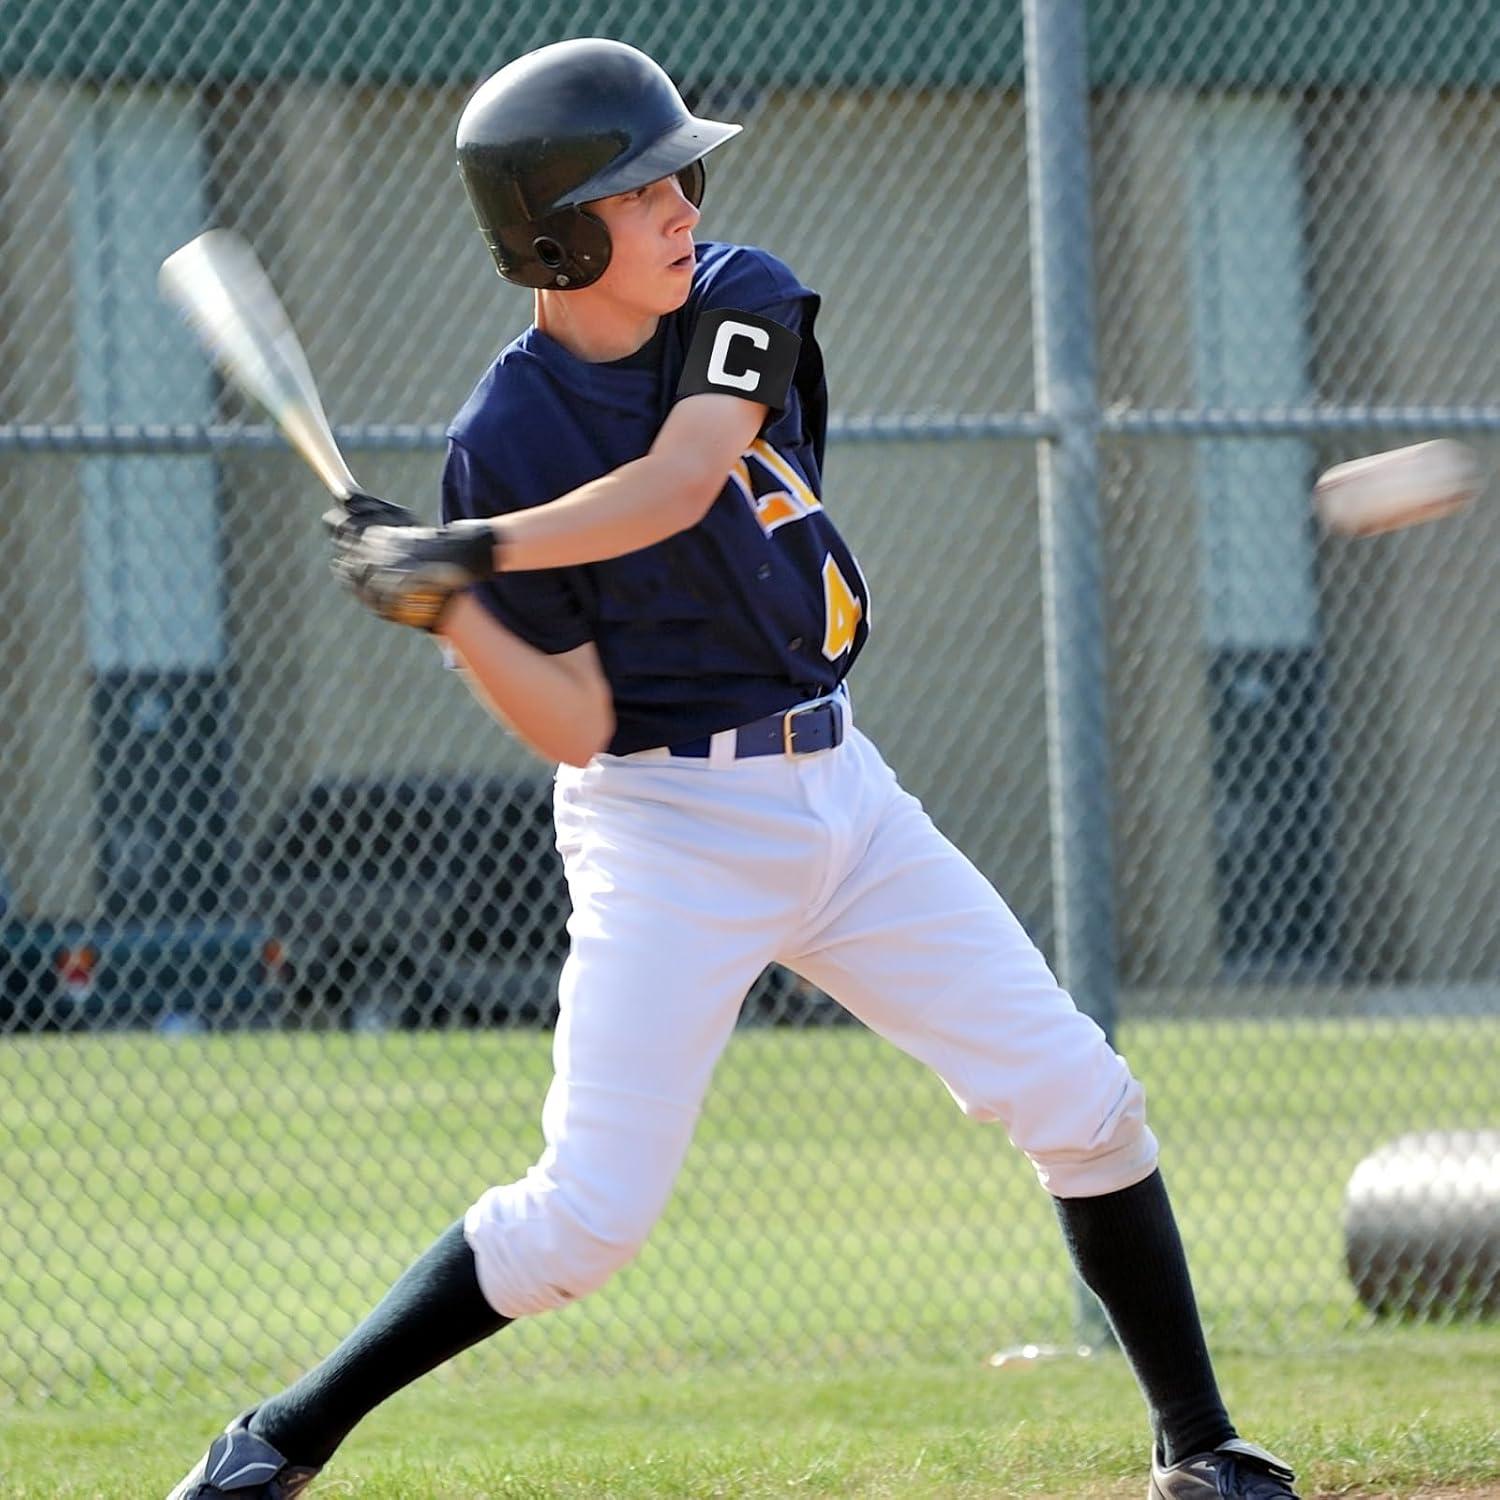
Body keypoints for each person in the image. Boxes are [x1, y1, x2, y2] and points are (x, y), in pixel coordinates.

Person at [168, 38, 1299, 1500]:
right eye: (641, 190)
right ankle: (273, 1444)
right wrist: (451, 612)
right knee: (585, 1222)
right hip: (666, 825)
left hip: (844, 790)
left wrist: (472, 556)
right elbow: (571, 720)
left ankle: (1198, 1448)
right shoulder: (501, 438)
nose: (682, 204)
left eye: (679, 177)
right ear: (554, 230)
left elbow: (683, 477)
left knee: (1083, 1099)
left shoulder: (739, 297)